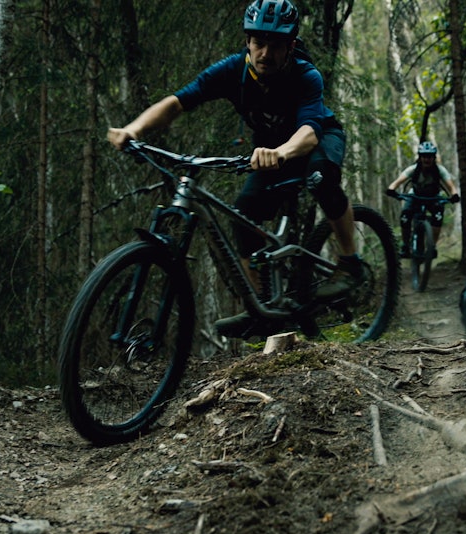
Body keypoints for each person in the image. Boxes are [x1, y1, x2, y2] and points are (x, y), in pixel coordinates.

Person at [107, 0, 364, 338]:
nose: (265, 52)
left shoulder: (305, 74)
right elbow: (177, 102)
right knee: (243, 214)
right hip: (268, 150)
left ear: (290, 45)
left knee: (321, 178)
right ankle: (261, 308)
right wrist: (134, 130)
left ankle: (349, 263)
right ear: (247, 41)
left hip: (314, 140)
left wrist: (281, 151)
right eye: (259, 42)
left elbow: (310, 132)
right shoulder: (232, 71)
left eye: (275, 44)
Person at [386, 141, 459, 258]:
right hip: (415, 196)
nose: (427, 159)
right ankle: (405, 246)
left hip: (433, 197)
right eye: (424, 156)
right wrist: (391, 189)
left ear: (434, 158)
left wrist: (454, 195)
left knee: (438, 218)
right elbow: (398, 181)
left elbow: (450, 186)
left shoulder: (440, 170)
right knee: (405, 217)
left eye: (429, 156)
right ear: (420, 157)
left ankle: (432, 246)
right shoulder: (413, 169)